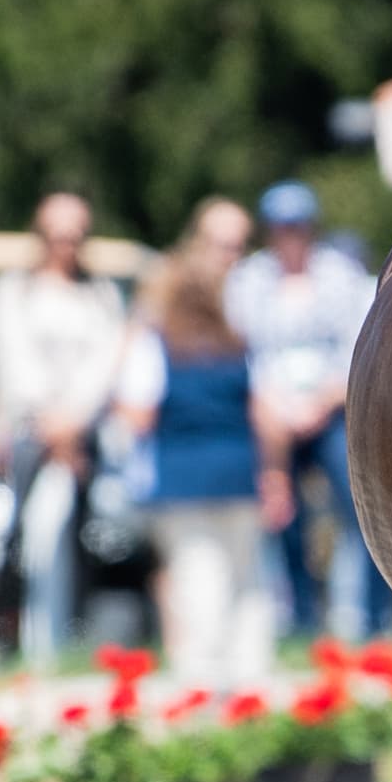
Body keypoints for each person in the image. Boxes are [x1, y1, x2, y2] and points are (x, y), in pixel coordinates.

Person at [114, 197, 284, 683]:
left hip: (180, 476)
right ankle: (253, 675)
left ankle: (201, 677)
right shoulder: (238, 347)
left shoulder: (156, 343)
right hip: (238, 471)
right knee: (248, 581)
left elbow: (138, 414)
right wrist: (274, 473)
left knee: (197, 577)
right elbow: (265, 416)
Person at [223, 180, 382, 639]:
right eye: (282, 228)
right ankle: (301, 618)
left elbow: (358, 344)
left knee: (359, 509)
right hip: (272, 414)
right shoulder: (249, 280)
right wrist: (273, 407)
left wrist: (323, 400)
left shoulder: (341, 275)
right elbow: (244, 352)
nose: (290, 237)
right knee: (283, 514)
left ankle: (370, 618)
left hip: (330, 407)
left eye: (298, 227)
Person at [0, 191, 127, 655]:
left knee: (89, 533)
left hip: (82, 433)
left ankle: (72, 632)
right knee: (18, 534)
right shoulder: (13, 290)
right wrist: (49, 419)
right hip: (30, 430)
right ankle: (15, 634)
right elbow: (14, 360)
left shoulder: (101, 294)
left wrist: (74, 421)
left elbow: (106, 363)